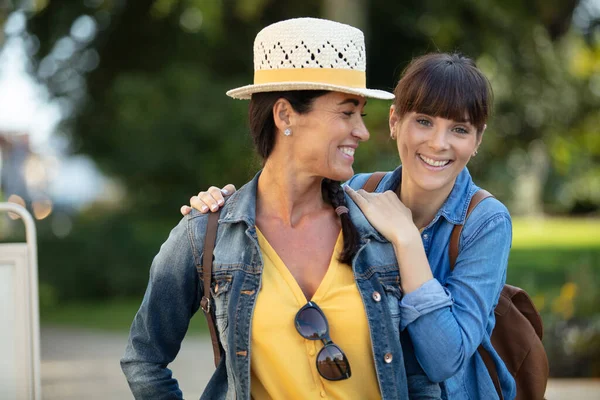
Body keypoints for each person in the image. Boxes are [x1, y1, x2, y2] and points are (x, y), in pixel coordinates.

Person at [121, 17, 442, 400]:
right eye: (346, 112)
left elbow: (419, 378)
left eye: (362, 114)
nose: (362, 131)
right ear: (285, 115)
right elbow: (144, 359)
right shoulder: (206, 234)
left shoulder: (377, 229)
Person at [183, 52, 518, 399]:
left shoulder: (486, 222)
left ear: (477, 139)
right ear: (394, 121)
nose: (438, 143)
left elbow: (444, 360)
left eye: (459, 129)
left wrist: (406, 240)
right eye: (424, 121)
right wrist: (222, 204)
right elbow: (283, 205)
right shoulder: (356, 194)